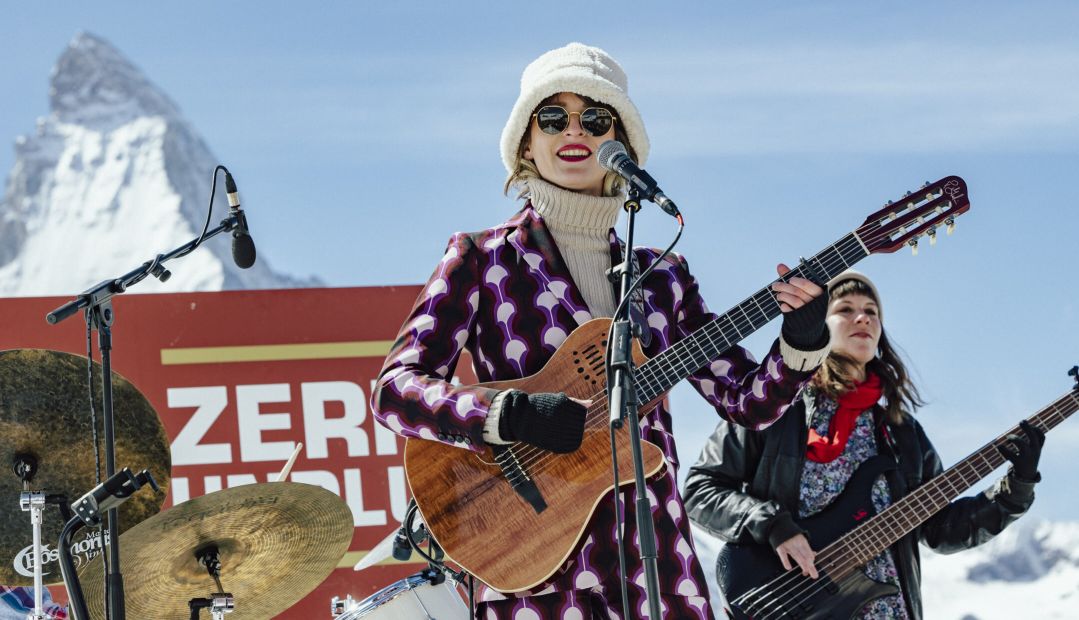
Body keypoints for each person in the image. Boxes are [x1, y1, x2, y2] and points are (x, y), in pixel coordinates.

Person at [371, 42, 831, 619]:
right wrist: (502, 416)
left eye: (595, 118)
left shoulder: (664, 276)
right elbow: (394, 390)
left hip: (657, 567)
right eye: (552, 116)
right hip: (537, 565)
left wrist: (801, 342)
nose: (574, 130)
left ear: (623, 144)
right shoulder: (482, 259)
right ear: (525, 143)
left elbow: (746, 402)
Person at [682, 271, 1045, 619]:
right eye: (845, 309)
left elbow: (940, 529)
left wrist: (1017, 488)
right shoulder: (774, 405)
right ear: (819, 324)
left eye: (872, 312)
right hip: (794, 606)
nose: (863, 318)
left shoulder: (902, 434)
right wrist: (773, 525)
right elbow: (701, 491)